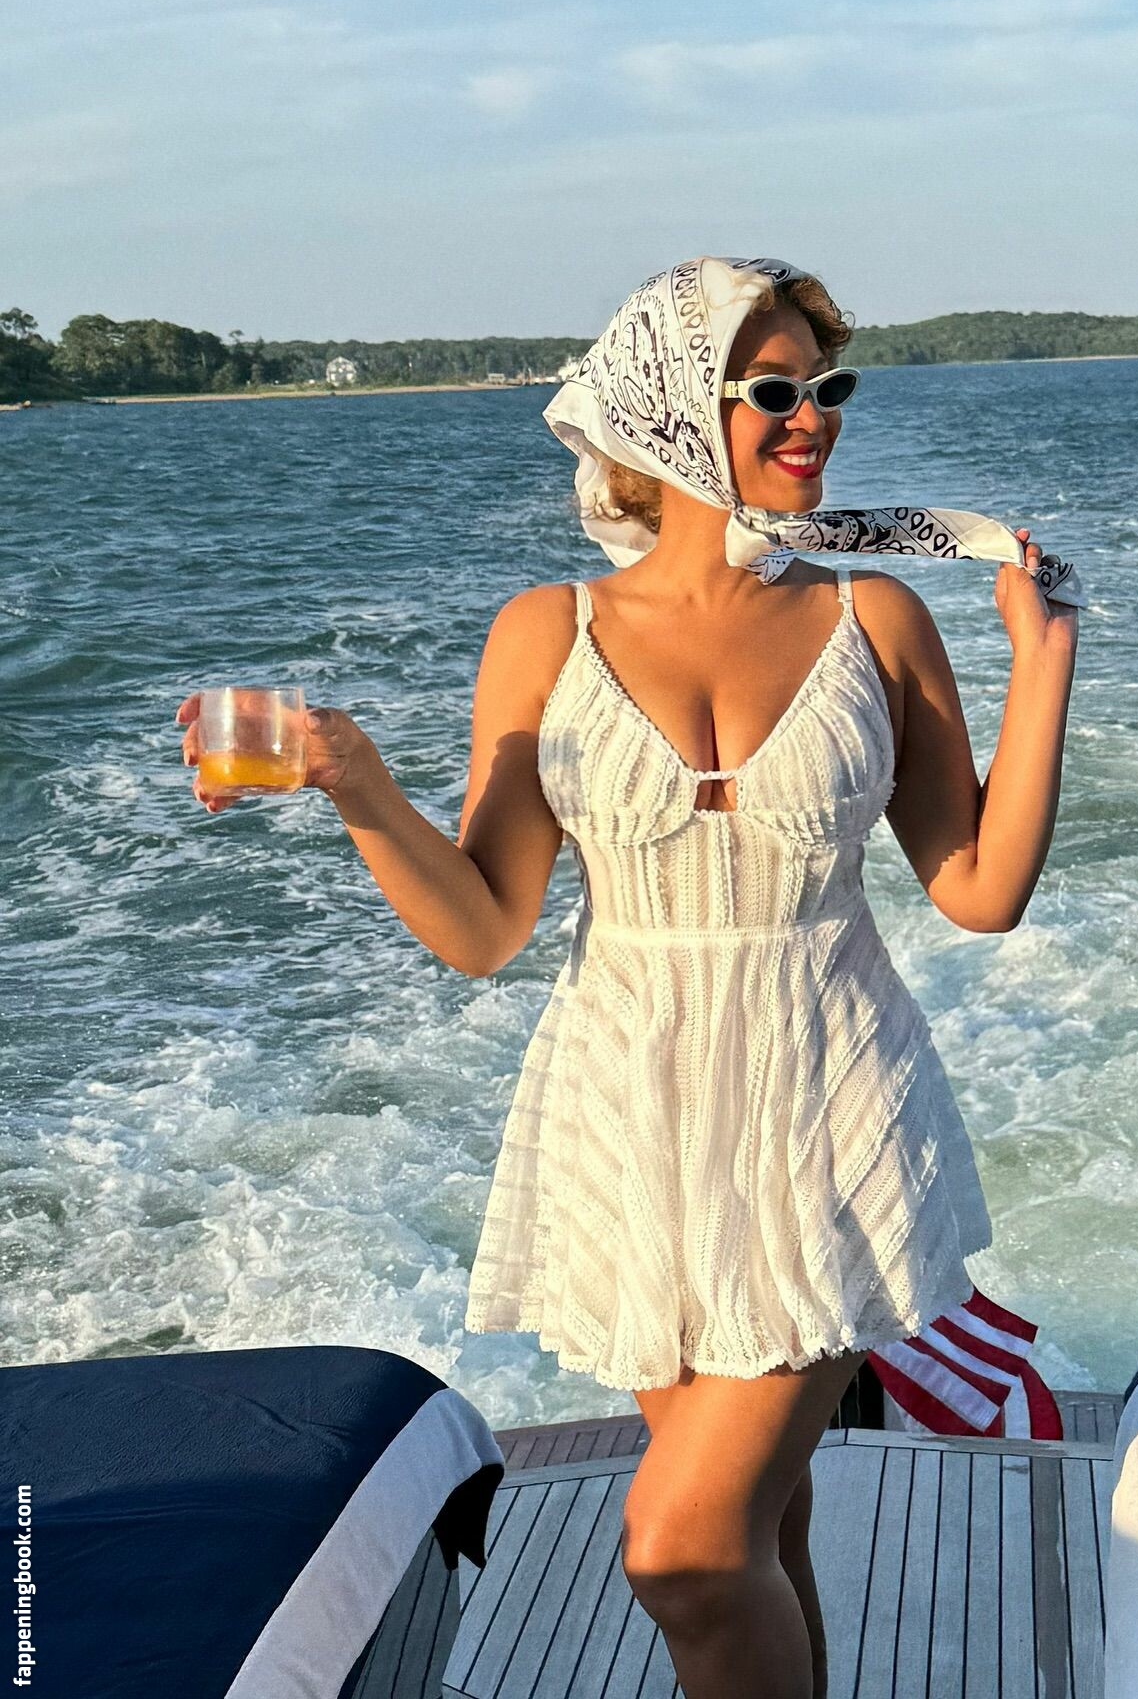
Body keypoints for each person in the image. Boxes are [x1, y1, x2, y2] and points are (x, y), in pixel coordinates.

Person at [176, 255, 1079, 1698]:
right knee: (757, 1536)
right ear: (667, 410)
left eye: (827, 390)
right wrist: (357, 786)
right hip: (633, 1116)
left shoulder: (876, 618)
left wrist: (1045, 660)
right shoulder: (548, 631)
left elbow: (977, 889)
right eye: (772, 391)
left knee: (681, 1552)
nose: (814, 419)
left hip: (825, 1108)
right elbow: (486, 927)